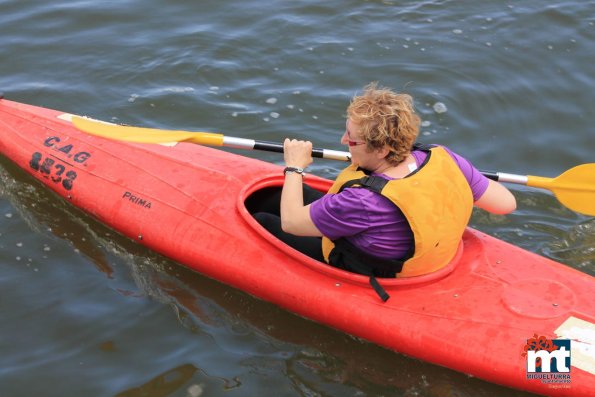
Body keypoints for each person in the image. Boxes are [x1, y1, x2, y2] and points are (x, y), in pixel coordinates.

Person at [253, 83, 516, 298]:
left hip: (375, 268)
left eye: (352, 139)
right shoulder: (444, 158)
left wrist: (295, 167)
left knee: (263, 221)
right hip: (431, 256)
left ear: (381, 150)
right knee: (272, 197)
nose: (343, 141)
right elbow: (506, 203)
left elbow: (290, 223)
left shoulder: (363, 200)